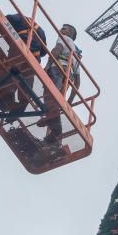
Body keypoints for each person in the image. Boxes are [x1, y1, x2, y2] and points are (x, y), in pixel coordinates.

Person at [40, 24, 83, 153]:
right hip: (66, 76)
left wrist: (47, 65)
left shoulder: (65, 39)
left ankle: (54, 129)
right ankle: (55, 139)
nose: (60, 30)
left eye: (64, 28)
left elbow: (56, 50)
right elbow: (77, 82)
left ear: (70, 33)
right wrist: (69, 101)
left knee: (49, 97)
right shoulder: (75, 54)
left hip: (56, 68)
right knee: (54, 101)